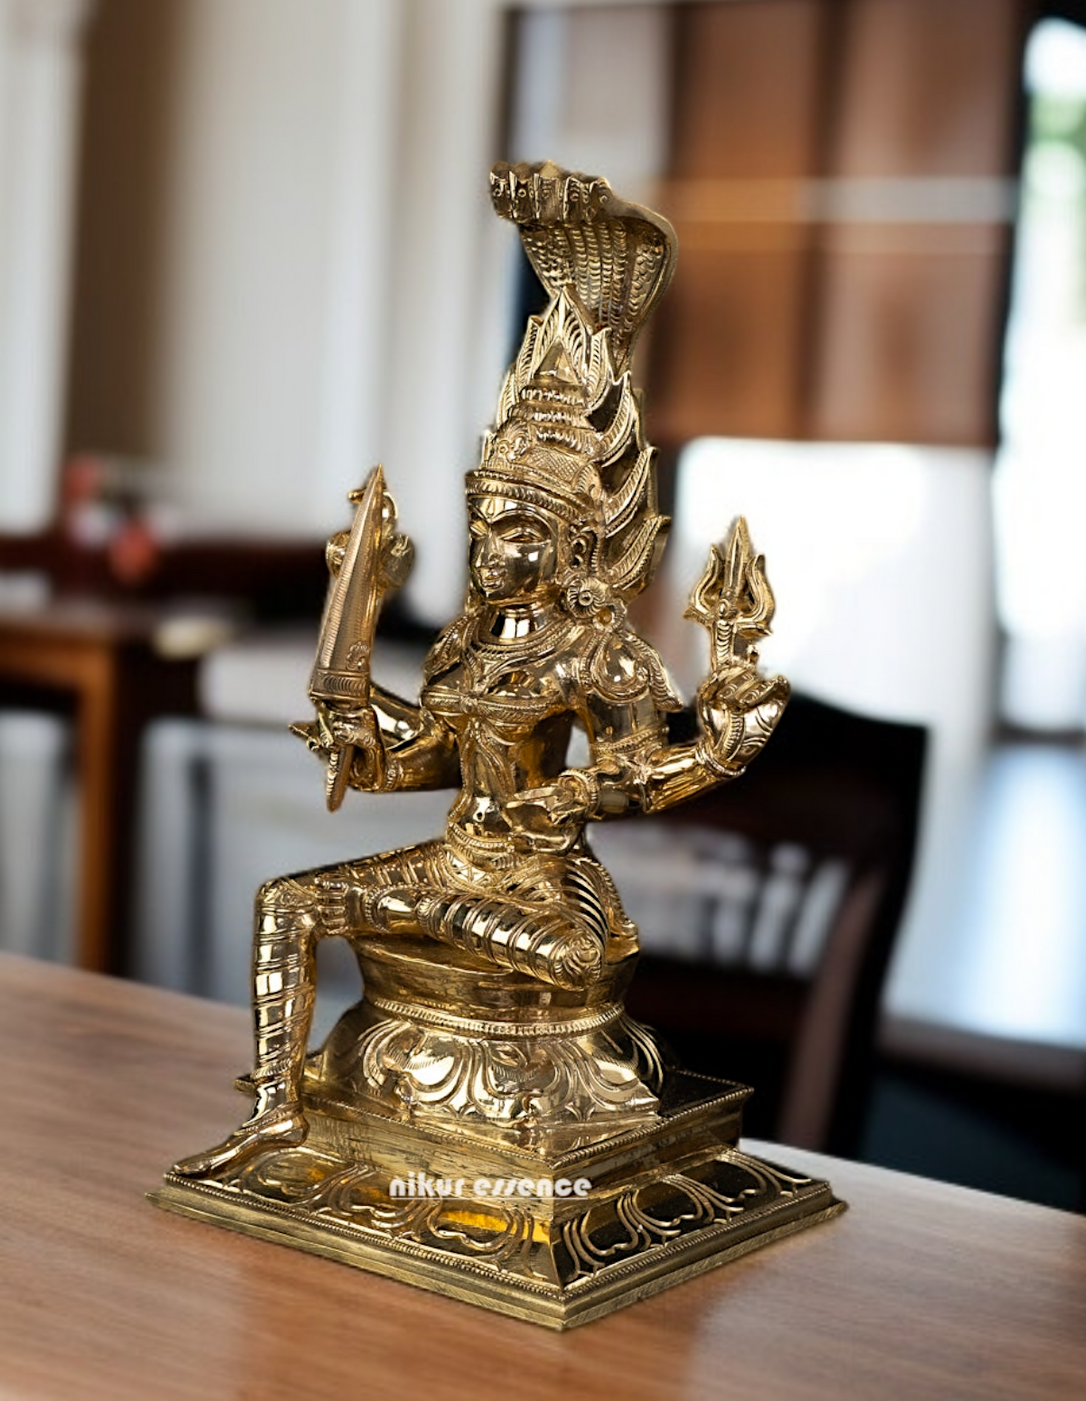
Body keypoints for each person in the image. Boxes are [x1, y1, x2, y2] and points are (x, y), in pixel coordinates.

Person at [175, 164, 787, 1178]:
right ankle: (280, 1108)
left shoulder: (596, 651)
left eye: (517, 532)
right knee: (286, 901)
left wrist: (675, 758)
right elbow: (434, 759)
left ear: (572, 545)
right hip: (454, 863)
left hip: (539, 887)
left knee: (569, 963)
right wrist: (358, 691)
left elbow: (644, 772)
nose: (492, 551)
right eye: (484, 527)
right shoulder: (469, 641)